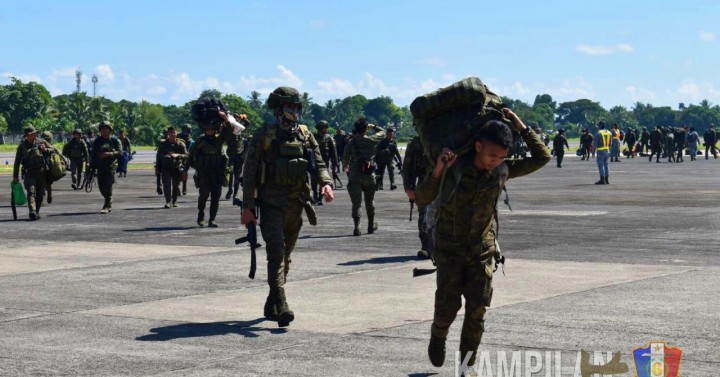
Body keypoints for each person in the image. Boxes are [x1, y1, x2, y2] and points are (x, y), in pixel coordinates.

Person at [415, 109, 550, 370]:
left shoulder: (502, 170)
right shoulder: (454, 167)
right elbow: (422, 198)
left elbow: (542, 157)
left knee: (477, 311)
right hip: (450, 250)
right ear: (478, 146)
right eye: (491, 155)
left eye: (501, 156)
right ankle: (438, 334)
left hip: (481, 250)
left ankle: (467, 366)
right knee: (448, 305)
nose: (495, 161)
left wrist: (519, 125)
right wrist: (438, 171)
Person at [241, 86, 334, 328]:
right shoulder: (264, 135)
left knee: (286, 257)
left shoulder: (305, 134)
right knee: (276, 252)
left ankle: (271, 300)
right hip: (271, 203)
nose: (295, 111)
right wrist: (247, 206)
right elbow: (249, 171)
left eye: (297, 107)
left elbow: (319, 162)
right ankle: (282, 304)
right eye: (290, 107)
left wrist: (326, 183)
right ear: (279, 109)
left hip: (297, 204)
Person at [342, 117, 386, 236]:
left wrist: (346, 166)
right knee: (369, 201)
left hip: (355, 175)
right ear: (366, 129)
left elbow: (345, 158)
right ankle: (370, 225)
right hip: (368, 175)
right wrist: (373, 126)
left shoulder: (351, 142)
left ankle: (357, 227)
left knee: (356, 203)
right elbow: (383, 132)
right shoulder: (371, 140)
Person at [187, 120, 231, 227]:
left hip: (217, 172)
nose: (209, 131)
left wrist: (225, 119)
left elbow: (229, 131)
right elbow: (191, 155)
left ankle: (212, 219)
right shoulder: (200, 140)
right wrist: (185, 169)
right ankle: (201, 214)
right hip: (203, 173)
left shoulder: (219, 139)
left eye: (211, 129)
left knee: (216, 197)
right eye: (207, 129)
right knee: (204, 195)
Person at [12, 126, 52, 220]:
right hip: (29, 173)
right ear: (27, 136)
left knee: (40, 193)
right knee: (31, 191)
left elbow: (53, 150)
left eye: (34, 133)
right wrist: (15, 176)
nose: (34, 135)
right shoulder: (22, 147)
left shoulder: (41, 142)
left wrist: (45, 150)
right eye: (32, 134)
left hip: (41, 172)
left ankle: (36, 211)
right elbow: (17, 162)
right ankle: (32, 211)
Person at [402, 135, 431, 259]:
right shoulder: (416, 143)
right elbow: (407, 167)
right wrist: (408, 187)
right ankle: (426, 246)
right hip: (424, 183)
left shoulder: (445, 138)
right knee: (423, 215)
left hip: (445, 182)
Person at [90, 121, 123, 214]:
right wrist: (91, 166)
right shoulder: (97, 141)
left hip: (111, 166)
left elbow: (120, 152)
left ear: (110, 130)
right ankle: (109, 201)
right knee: (101, 187)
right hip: (100, 166)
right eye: (102, 129)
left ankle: (106, 205)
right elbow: (93, 154)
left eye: (106, 129)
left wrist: (109, 154)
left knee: (108, 185)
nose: (104, 131)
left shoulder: (115, 140)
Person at [156, 126, 188, 208]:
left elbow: (187, 155)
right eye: (171, 133)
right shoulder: (162, 144)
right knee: (166, 185)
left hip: (177, 167)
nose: (173, 134)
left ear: (177, 133)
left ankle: (174, 201)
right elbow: (158, 156)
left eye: (174, 132)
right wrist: (157, 168)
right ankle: (168, 201)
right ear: (168, 134)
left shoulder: (181, 144)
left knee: (176, 185)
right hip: (165, 167)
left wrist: (178, 155)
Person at [311, 120, 338, 204]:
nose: (326, 129)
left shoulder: (328, 138)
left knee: (323, 179)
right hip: (314, 161)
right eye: (324, 127)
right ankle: (315, 195)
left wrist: (335, 162)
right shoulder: (313, 137)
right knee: (313, 179)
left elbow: (333, 151)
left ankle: (320, 197)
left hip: (324, 162)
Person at [224, 115, 249, 204]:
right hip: (231, 155)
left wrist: (243, 118)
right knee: (230, 173)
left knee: (237, 175)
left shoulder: (239, 129)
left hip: (239, 156)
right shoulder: (228, 130)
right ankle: (230, 190)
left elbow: (247, 123)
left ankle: (235, 193)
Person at [40, 131, 61, 204]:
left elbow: (53, 150)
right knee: (40, 184)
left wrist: (46, 150)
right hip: (40, 166)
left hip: (48, 167)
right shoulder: (39, 143)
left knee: (48, 184)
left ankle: (49, 194)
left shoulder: (50, 146)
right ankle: (41, 199)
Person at [178, 124, 195, 195]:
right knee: (177, 172)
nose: (187, 131)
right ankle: (177, 187)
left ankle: (184, 188)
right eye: (185, 130)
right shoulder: (177, 137)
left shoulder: (190, 139)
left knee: (185, 172)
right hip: (178, 156)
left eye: (188, 130)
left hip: (186, 157)